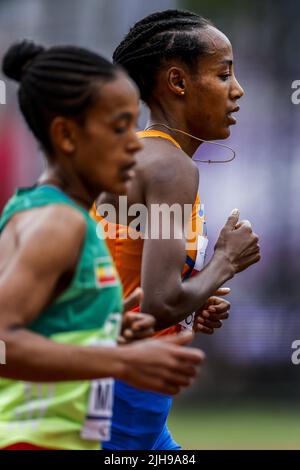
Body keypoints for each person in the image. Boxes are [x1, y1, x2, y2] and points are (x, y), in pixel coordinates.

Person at [0, 40, 205, 450]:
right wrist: (121, 360)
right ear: (66, 135)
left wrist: (104, 332)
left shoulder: (59, 215)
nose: (135, 144)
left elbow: (43, 326)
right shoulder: (57, 224)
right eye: (119, 128)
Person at [92, 9, 260, 450]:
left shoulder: (143, 157)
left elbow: (131, 285)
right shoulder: (170, 168)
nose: (237, 91)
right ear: (178, 83)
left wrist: (194, 298)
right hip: (117, 408)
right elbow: (156, 302)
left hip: (129, 407)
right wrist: (225, 261)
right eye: (224, 75)